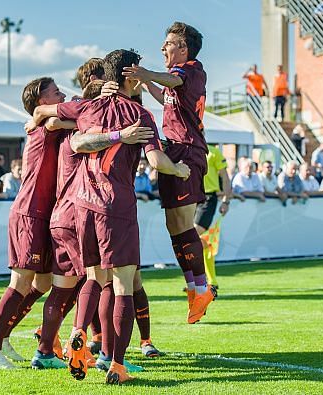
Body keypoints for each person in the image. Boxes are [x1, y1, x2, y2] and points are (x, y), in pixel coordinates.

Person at [31, 49, 190, 384]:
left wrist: (37, 120)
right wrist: (180, 168)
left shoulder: (88, 107)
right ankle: (115, 363)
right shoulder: (139, 114)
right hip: (116, 206)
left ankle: (78, 333)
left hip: (82, 208)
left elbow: (49, 115)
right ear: (130, 76)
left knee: (93, 278)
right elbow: (158, 162)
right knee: (122, 286)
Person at [122, 21, 216, 327]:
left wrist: (147, 75)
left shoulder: (191, 69)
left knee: (183, 223)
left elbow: (171, 81)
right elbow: (169, 98)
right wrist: (150, 85)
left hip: (187, 150)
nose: (164, 48)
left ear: (184, 48)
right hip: (176, 148)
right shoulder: (178, 80)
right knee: (174, 224)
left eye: (169, 43)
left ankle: (201, 288)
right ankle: (194, 288)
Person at [0, 77, 71, 370]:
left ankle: (2, 334)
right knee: (19, 282)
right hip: (29, 213)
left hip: (46, 215)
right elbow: (80, 116)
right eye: (56, 92)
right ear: (43, 103)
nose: (63, 94)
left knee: (42, 282)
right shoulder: (46, 126)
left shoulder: (47, 122)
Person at [194, 144, 232, 290]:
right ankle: (208, 281)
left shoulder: (214, 152)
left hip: (208, 198)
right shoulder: (188, 150)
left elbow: (225, 178)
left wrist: (226, 201)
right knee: (201, 242)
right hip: (192, 198)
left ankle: (201, 281)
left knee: (193, 236)